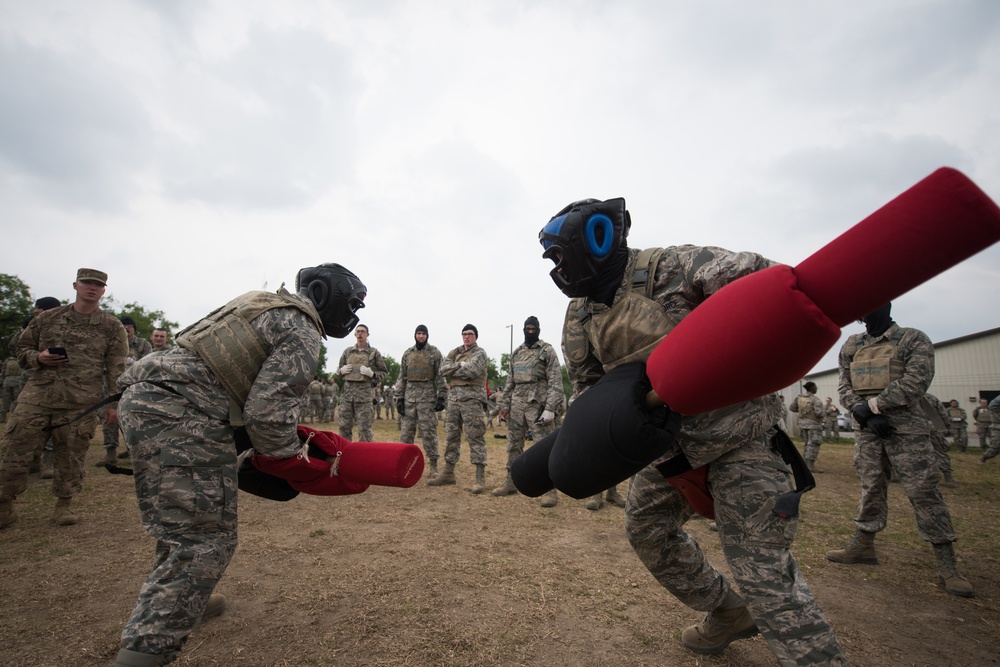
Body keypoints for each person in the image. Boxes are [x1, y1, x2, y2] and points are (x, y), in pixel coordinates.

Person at [539, 197, 849, 664]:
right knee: (647, 528)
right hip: (668, 451)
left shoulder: (676, 267)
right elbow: (589, 389)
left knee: (765, 575)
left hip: (739, 439)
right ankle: (727, 611)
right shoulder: (580, 317)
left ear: (596, 239)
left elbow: (775, 288)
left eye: (559, 256)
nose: (556, 269)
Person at [111, 263, 367, 667]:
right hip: (184, 413)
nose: (354, 314)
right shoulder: (302, 329)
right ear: (323, 293)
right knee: (203, 540)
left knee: (185, 526)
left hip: (146, 400)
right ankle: (142, 654)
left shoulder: (257, 303)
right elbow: (267, 416)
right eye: (351, 304)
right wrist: (291, 461)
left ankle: (187, 598)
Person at [826, 303, 973, 598]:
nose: (866, 314)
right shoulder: (852, 345)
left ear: (886, 306)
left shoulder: (912, 339)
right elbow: (844, 384)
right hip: (867, 429)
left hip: (905, 429)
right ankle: (863, 544)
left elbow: (916, 382)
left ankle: (947, 565)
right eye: (862, 308)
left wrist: (873, 407)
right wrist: (864, 412)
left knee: (923, 491)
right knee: (871, 487)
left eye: (873, 306)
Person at [0, 269, 128, 529]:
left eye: (97, 285)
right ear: (75, 285)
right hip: (37, 395)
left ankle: (64, 505)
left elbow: (117, 367)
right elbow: (21, 349)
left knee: (71, 455)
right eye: (86, 283)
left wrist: (114, 403)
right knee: (15, 448)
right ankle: (4, 505)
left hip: (80, 402)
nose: (91, 288)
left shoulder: (111, 326)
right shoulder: (48, 318)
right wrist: (39, 357)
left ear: (103, 291)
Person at [492, 317, 567, 507]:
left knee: (543, 447)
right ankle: (510, 482)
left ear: (539, 330)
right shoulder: (517, 352)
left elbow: (556, 382)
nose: (530, 331)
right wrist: (503, 405)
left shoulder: (547, 350)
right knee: (513, 445)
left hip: (538, 405)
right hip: (517, 405)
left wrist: (550, 408)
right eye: (527, 328)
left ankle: (549, 490)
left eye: (534, 329)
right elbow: (509, 383)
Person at [428, 325, 489, 493]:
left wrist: (455, 369)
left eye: (470, 334)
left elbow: (472, 371)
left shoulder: (480, 353)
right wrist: (460, 365)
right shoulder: (454, 352)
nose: (467, 337)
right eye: (464, 334)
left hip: (472, 400)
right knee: (451, 436)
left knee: (475, 436)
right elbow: (442, 370)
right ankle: (448, 473)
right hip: (453, 400)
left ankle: (479, 478)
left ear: (476, 336)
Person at [99, 316, 155, 466]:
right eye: (123, 325)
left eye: (129, 326)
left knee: (133, 421)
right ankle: (110, 454)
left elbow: (148, 365)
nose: (126, 328)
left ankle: (133, 452)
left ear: (134, 329)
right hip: (112, 387)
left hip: (134, 388)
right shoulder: (110, 343)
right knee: (109, 419)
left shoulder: (143, 345)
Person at [398, 325, 447, 475]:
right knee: (406, 434)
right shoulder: (408, 353)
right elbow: (402, 377)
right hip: (409, 399)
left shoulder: (434, 353)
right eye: (418, 333)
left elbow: (440, 375)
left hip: (427, 399)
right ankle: (405, 464)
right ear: (415, 335)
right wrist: (400, 397)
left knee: (428, 433)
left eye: (423, 334)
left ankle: (433, 465)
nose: (420, 336)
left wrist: (442, 396)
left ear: (427, 336)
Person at [336, 324, 387, 442]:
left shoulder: (373, 352)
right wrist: (341, 371)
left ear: (367, 334)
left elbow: (383, 372)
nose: (360, 334)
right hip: (347, 397)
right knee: (344, 428)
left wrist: (373, 374)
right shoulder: (348, 352)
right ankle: (344, 456)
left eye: (363, 331)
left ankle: (365, 457)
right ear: (354, 334)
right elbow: (339, 370)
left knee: (364, 430)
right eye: (358, 331)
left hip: (364, 398)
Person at [789, 381, 825, 471]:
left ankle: (805, 464)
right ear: (812, 388)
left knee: (807, 444)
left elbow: (792, 408)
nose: (816, 389)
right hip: (814, 425)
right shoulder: (815, 400)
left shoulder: (799, 397)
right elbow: (819, 413)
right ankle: (810, 465)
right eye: (816, 387)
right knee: (813, 444)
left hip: (802, 424)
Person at [924, 392, 956, 488]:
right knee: (939, 452)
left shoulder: (905, 395)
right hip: (933, 425)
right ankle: (948, 477)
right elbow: (942, 413)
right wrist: (946, 426)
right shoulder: (930, 397)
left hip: (913, 427)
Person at [981, 395, 1000, 464]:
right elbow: (992, 405)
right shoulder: (996, 407)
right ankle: (984, 458)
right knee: (996, 446)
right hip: (998, 428)